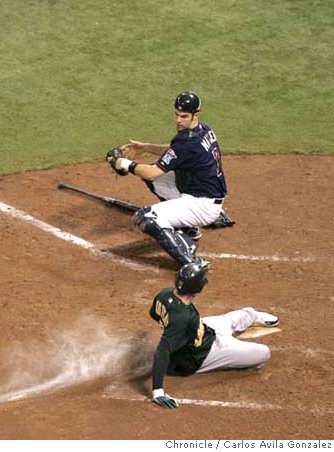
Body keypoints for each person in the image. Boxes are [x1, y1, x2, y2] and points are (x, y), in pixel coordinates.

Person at [106, 91, 234, 269]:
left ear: (196, 114)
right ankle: (189, 227)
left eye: (183, 116)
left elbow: (152, 172)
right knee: (156, 180)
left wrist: (124, 163)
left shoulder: (188, 142)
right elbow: (176, 152)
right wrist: (146, 148)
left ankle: (191, 261)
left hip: (202, 205)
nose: (178, 120)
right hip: (204, 193)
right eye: (176, 115)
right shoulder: (204, 130)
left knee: (146, 217)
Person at [149, 262, 279, 409]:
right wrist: (158, 391)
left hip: (205, 329)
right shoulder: (182, 319)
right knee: (264, 353)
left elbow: (154, 313)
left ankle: (252, 316)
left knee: (246, 313)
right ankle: (235, 350)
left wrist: (170, 325)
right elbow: (162, 350)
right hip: (201, 355)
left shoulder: (164, 294)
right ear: (198, 289)